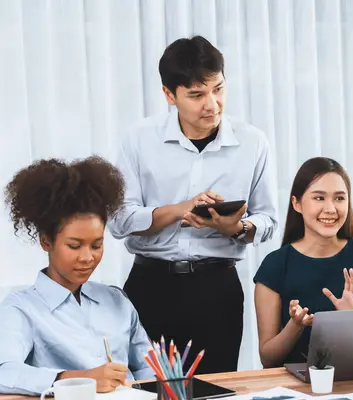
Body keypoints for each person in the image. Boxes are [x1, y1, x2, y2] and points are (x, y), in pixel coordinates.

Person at [108, 36, 278, 374]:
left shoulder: (252, 142)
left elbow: (269, 220)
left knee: (216, 390)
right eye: (197, 95)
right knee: (148, 390)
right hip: (150, 285)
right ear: (169, 95)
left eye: (218, 89)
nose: (212, 105)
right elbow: (119, 218)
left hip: (217, 290)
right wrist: (179, 210)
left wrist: (237, 228)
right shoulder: (140, 138)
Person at [0, 157, 154, 396]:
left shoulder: (116, 300)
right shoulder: (21, 307)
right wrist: (81, 379)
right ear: (46, 241)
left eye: (96, 245)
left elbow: (148, 367)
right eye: (74, 246)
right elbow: (4, 372)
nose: (87, 258)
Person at [253, 157, 353, 368]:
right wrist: (295, 325)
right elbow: (268, 358)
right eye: (319, 198)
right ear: (296, 203)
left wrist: (350, 320)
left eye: (339, 198)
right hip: (296, 387)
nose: (331, 209)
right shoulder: (275, 266)